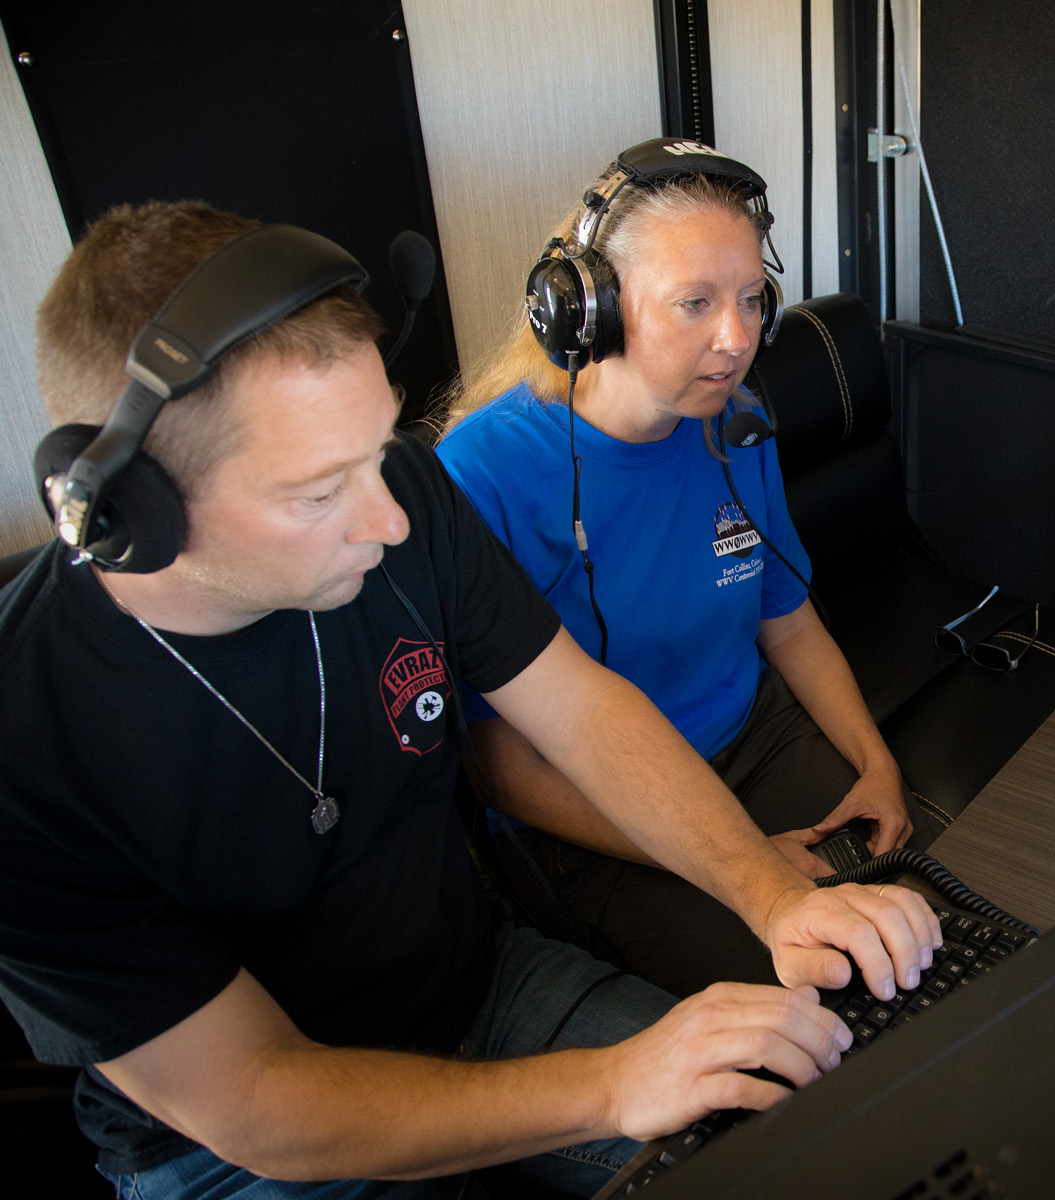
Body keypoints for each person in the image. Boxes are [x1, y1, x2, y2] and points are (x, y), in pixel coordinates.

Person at [0, 200, 939, 1199]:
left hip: (481, 991)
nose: (390, 517)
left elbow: (582, 712)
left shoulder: (405, 494)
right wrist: (617, 1083)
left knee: (819, 1143)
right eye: (320, 493)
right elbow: (256, 1098)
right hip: (237, 1151)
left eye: (377, 451)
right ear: (131, 514)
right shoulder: (27, 746)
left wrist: (773, 898)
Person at [434, 140, 928, 997]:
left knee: (920, 934)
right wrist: (741, 857)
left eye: (750, 300)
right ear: (592, 309)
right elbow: (505, 773)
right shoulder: (483, 473)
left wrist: (876, 764)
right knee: (818, 999)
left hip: (754, 741)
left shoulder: (735, 424)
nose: (735, 339)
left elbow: (789, 622)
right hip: (595, 817)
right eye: (695, 302)